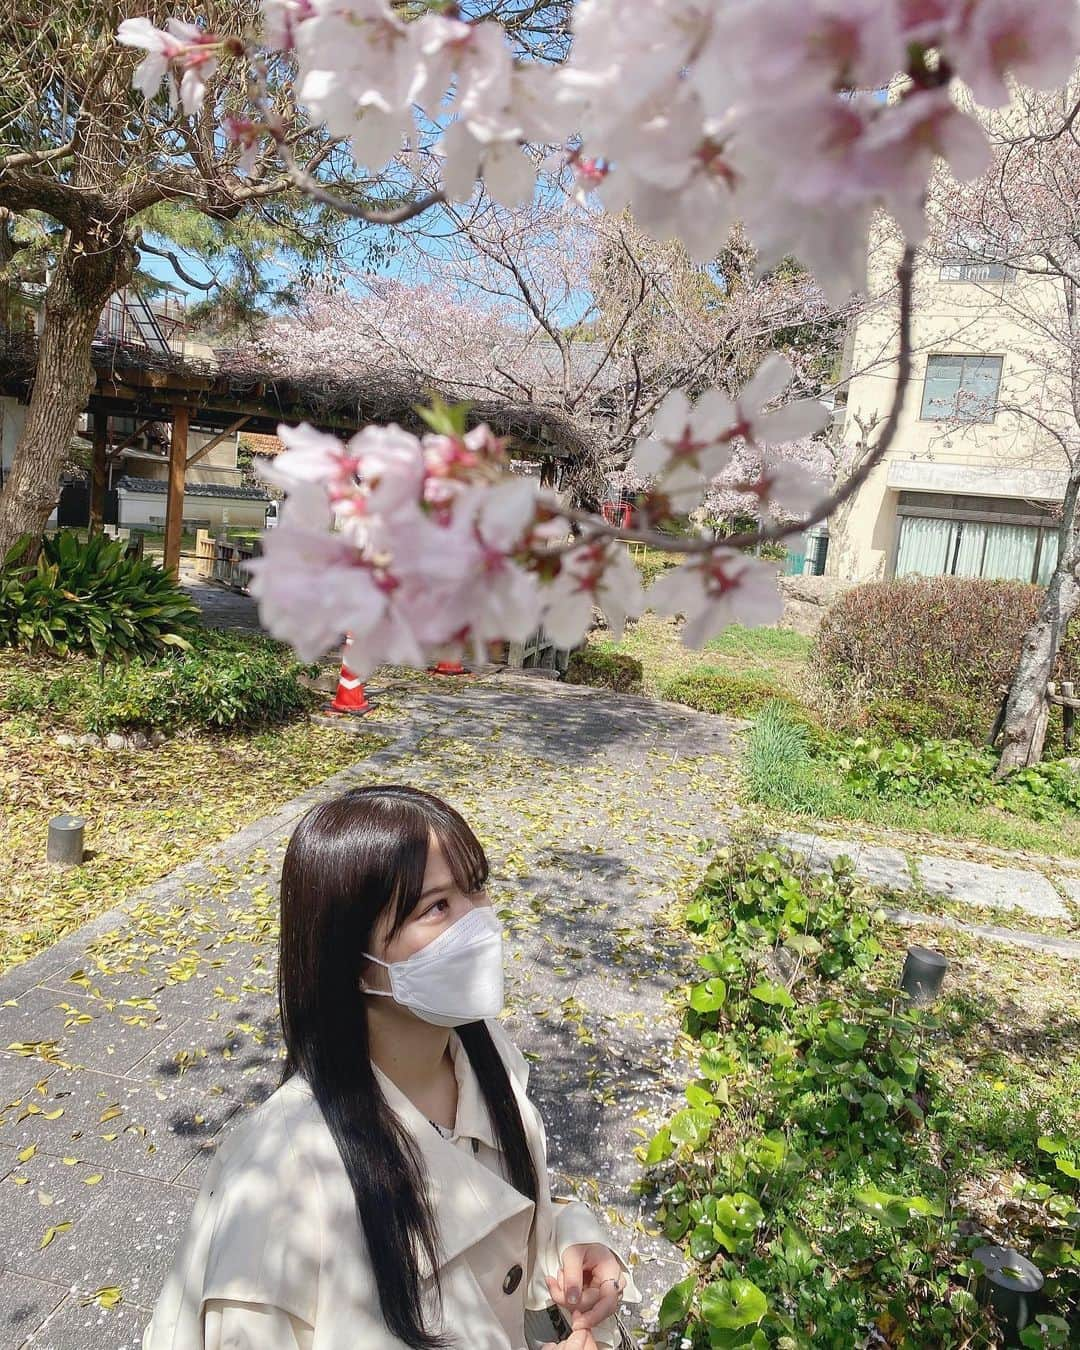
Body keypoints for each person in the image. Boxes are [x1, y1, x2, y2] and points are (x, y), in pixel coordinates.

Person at [143, 784, 641, 1350]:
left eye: (476, 891)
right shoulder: (280, 1193)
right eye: (437, 907)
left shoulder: (485, 1052)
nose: (479, 925)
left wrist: (572, 1245)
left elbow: (518, 1202)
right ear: (350, 960)